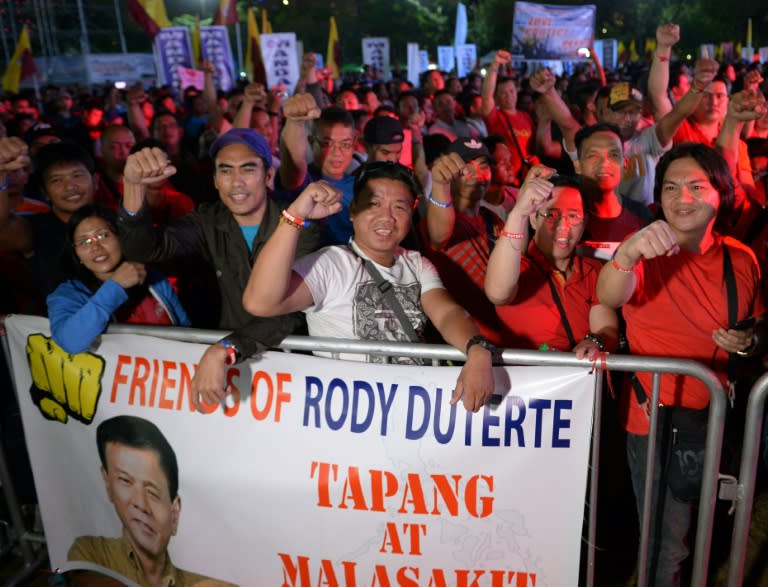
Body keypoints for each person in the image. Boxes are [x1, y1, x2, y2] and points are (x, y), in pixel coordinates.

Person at [596, 142, 765, 585]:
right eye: (670, 187)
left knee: (698, 529)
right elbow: (608, 295)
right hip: (652, 421)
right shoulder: (642, 249)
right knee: (666, 539)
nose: (682, 197)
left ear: (721, 193)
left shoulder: (740, 258)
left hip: (711, 419)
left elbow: (755, 324)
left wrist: (749, 341)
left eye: (695, 186)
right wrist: (627, 255)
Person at [242, 161, 496, 413]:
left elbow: (447, 313)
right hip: (348, 416)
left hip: (411, 409)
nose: (386, 217)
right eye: (373, 204)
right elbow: (260, 302)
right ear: (353, 210)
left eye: (399, 206)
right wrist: (295, 216)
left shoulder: (417, 264)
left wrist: (477, 350)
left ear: (412, 211)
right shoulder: (331, 263)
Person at [118, 128, 326, 409]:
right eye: (225, 171)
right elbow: (144, 250)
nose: (236, 182)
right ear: (215, 180)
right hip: (225, 371)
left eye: (247, 170)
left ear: (268, 176)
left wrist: (226, 349)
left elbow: (288, 313)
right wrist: (133, 186)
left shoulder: (300, 222)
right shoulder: (208, 220)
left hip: (287, 370)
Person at [68, 415, 235, 587]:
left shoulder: (211, 584)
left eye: (152, 492)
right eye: (125, 481)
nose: (140, 503)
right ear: (108, 483)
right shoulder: (91, 555)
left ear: (175, 512)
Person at [485, 170, 618, 355]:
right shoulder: (516, 268)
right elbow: (498, 293)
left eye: (573, 216)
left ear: (585, 222)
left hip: (585, 381)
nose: (563, 227)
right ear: (533, 219)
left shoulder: (593, 270)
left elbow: (607, 328)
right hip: (530, 382)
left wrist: (594, 342)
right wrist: (518, 213)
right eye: (551, 215)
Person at [47, 204, 189, 354]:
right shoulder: (68, 294)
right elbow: (70, 342)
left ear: (121, 237)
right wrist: (115, 286)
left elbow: (185, 331)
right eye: (85, 242)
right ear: (76, 254)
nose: (96, 247)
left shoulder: (153, 278)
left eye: (103, 235)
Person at [421, 138, 505, 343]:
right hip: (464, 338)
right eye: (467, 168)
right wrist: (440, 185)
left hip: (504, 333)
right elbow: (439, 236)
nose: (477, 176)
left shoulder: (492, 219)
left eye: (483, 167)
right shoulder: (437, 219)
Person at [277, 96, 357, 244]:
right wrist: (295, 123)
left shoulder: (360, 185)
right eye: (327, 144)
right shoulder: (306, 181)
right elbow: (293, 167)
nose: (337, 152)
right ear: (312, 143)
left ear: (354, 145)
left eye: (345, 144)